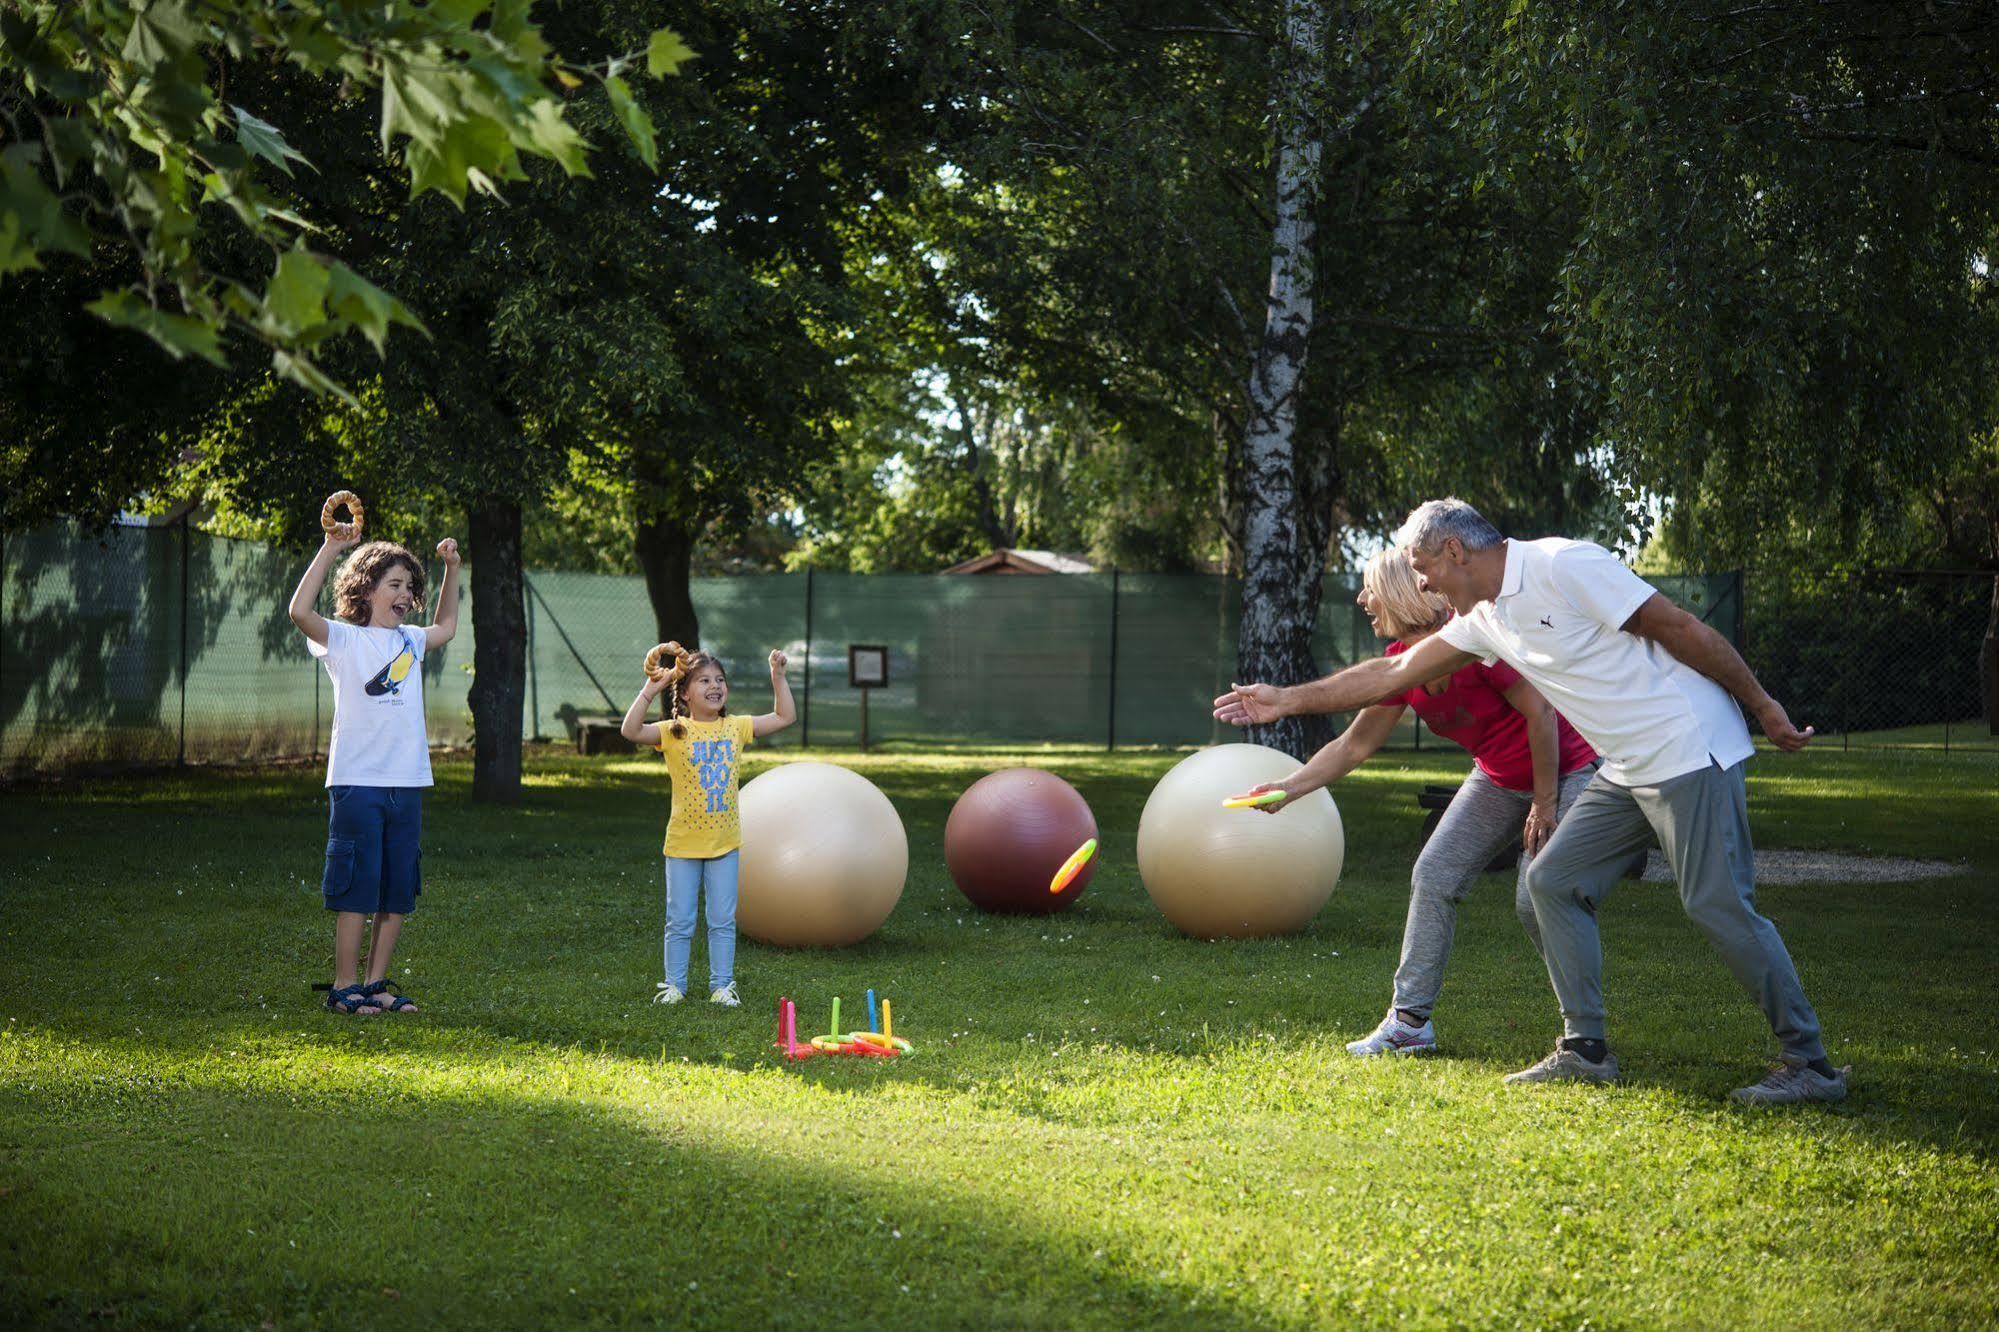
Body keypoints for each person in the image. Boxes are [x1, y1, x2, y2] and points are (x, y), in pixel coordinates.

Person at [1215, 498, 1847, 1105]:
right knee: (1551, 881)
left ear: (1455, 550)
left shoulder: (1561, 565)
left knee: (1715, 905)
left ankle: (1809, 1063)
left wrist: (1762, 706)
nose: (1424, 586)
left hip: (1687, 747)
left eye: (1423, 568)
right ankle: (1586, 1050)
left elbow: (1680, 628)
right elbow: (1389, 675)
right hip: (1626, 766)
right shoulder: (1486, 618)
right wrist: (1287, 699)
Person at [1232, 549, 1599, 1057]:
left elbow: (1540, 715)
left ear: (1405, 589)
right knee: (1434, 874)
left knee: (1538, 895)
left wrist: (1544, 802)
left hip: (1566, 770)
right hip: (1497, 777)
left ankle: (1586, 1035)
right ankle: (1409, 1022)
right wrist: (1289, 789)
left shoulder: (1476, 639)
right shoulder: (1402, 663)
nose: (1363, 599)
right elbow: (1354, 745)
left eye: (1370, 588)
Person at [287, 529, 460, 1016]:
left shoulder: (411, 641)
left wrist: (453, 568)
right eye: (395, 585)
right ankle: (345, 988)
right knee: (356, 886)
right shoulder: (344, 639)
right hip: (357, 782)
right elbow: (300, 612)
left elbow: (446, 626)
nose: (406, 595)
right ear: (365, 589)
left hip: (406, 785)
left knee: (396, 889)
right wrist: (329, 548)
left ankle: (377, 982)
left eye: (410, 587)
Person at [621, 645, 795, 1007]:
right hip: (683, 844)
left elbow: (783, 717)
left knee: (721, 921)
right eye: (704, 681)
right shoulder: (674, 731)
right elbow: (631, 731)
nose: (714, 686)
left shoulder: (736, 727)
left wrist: (778, 677)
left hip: (724, 844)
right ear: (684, 693)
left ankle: (722, 986)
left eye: (719, 680)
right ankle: (674, 986)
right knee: (680, 921)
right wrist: (651, 689)